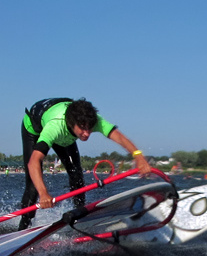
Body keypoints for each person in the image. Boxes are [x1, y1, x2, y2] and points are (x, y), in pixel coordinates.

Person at [18, 98, 152, 229]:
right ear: (72, 123)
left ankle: (80, 218)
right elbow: (33, 162)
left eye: (90, 129)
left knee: (77, 175)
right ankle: (23, 227)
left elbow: (119, 136)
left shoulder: (91, 119)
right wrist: (43, 193)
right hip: (33, 128)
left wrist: (138, 156)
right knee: (33, 187)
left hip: (63, 132)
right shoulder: (55, 127)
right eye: (82, 129)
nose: (87, 134)